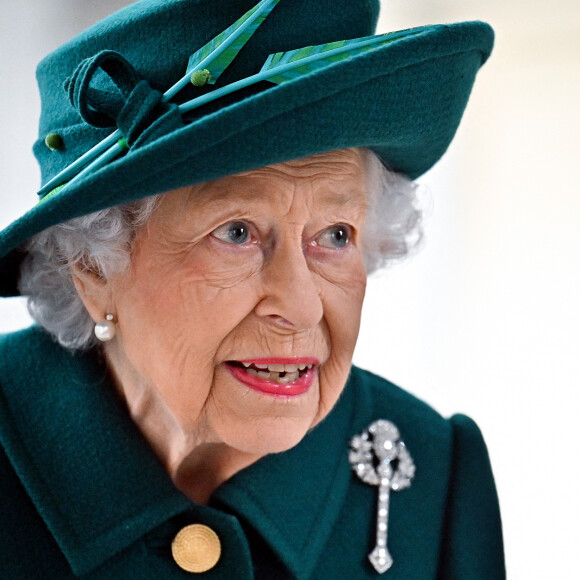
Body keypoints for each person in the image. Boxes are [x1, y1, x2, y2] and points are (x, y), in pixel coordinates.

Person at [0, 0, 504, 577]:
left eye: (335, 235)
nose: (300, 305)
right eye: (236, 233)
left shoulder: (430, 471)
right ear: (92, 266)